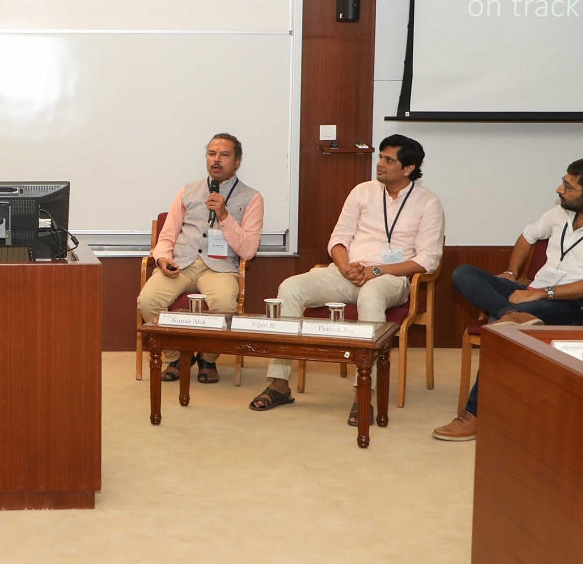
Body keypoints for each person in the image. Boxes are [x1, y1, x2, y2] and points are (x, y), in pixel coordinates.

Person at [433, 157, 583, 442]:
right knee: (463, 273)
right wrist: (510, 273)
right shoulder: (558, 215)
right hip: (530, 295)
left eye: (567, 185)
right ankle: (510, 313)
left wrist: (542, 292)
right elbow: (528, 236)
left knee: (499, 325)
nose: (558, 189)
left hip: (572, 304)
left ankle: (475, 414)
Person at [251, 134, 444, 419]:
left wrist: (375, 270)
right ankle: (279, 383)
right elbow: (338, 239)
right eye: (380, 156)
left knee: (371, 294)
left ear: (408, 168)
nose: (379, 164)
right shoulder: (362, 192)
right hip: (346, 273)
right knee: (289, 288)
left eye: (389, 160)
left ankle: (363, 392)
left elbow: (427, 259)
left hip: (389, 278)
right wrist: (345, 267)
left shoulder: (428, 203)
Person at [137, 133, 265, 384]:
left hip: (219, 268)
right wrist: (162, 259)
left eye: (224, 155)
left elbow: (248, 251)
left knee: (225, 305)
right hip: (181, 264)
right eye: (212, 154)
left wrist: (225, 215)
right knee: (148, 300)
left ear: (237, 161)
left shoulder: (253, 198)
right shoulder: (187, 191)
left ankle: (208, 358)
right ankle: (176, 357)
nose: (216, 160)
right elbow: (168, 234)